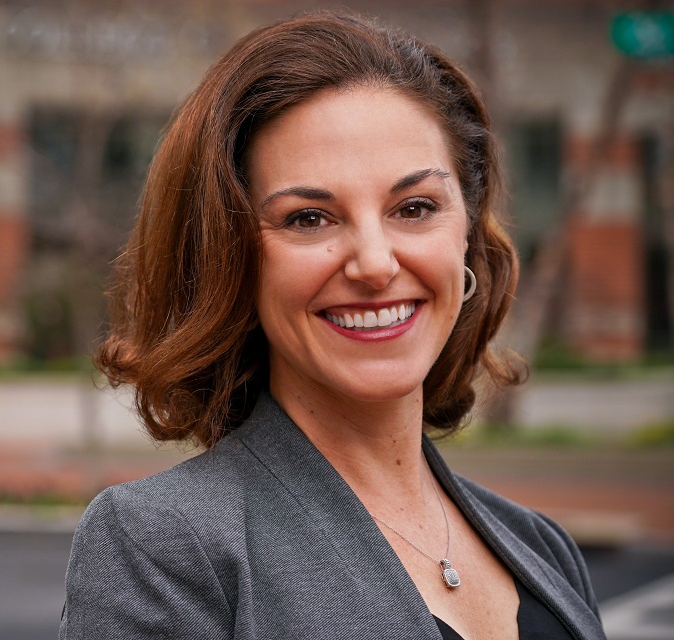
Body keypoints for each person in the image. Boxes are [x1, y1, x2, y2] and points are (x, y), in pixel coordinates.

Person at [60, 10, 605, 640]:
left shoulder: (545, 548)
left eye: (414, 207)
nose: (375, 264)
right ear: (230, 261)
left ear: (465, 236)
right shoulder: (166, 548)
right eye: (308, 219)